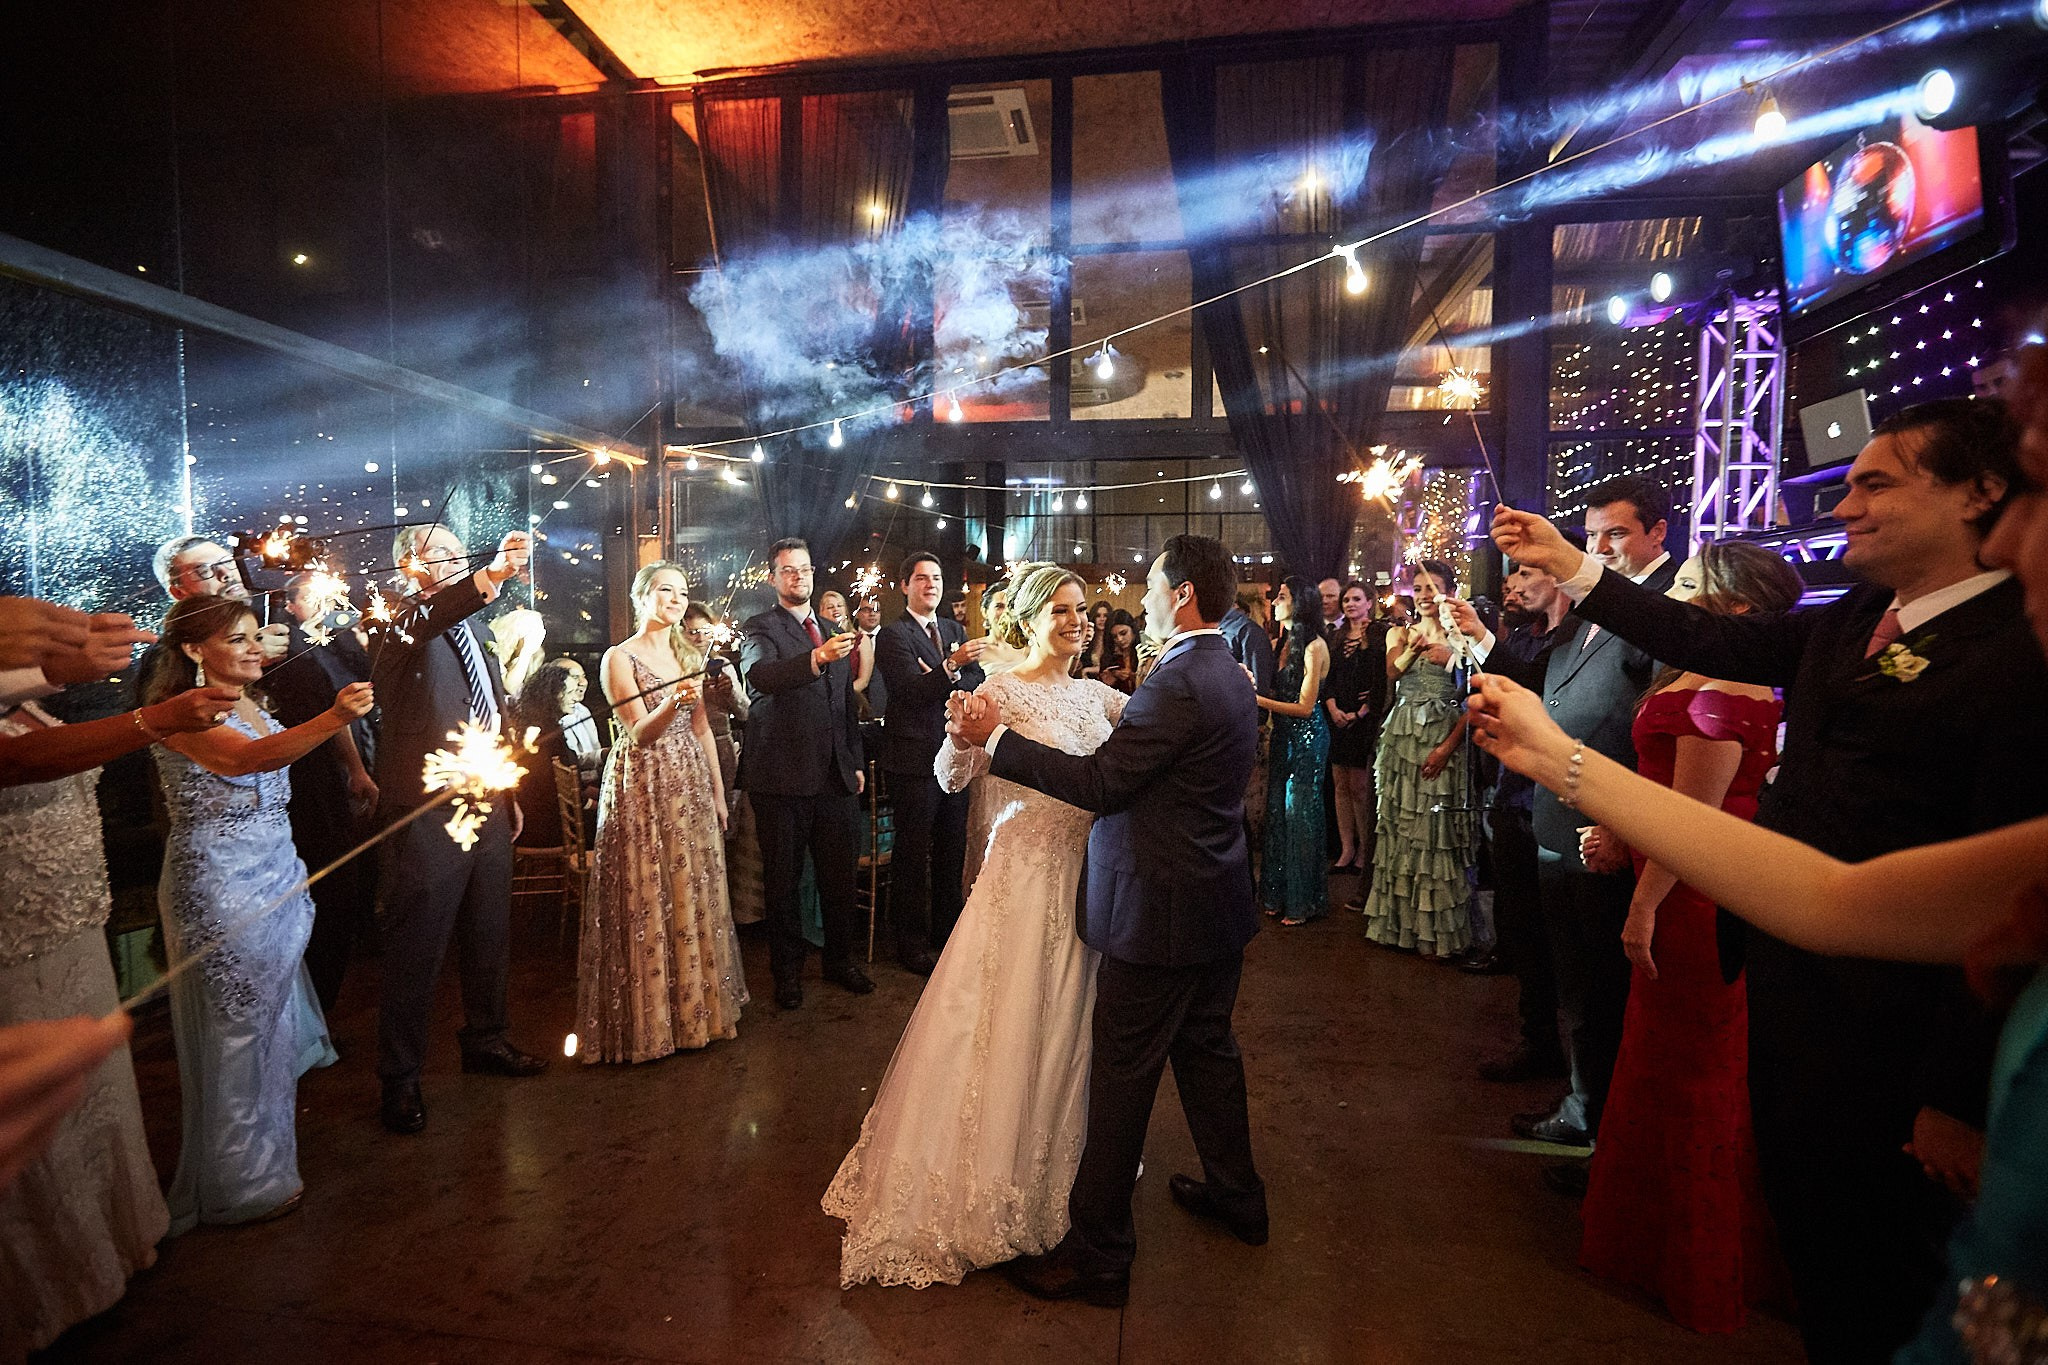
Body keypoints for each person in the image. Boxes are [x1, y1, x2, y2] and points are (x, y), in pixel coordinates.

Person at [1490, 398, 2048, 1361]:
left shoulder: (2015, 655)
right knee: (1824, 1252)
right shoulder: (1864, 617)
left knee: (1892, 1283)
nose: (1843, 506)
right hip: (1796, 992)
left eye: (1876, 482)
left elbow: (2005, 906)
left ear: (1981, 493)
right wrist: (1574, 565)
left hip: (1905, 1031)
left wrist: (1953, 1094)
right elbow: (1711, 642)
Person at [955, 534, 1267, 1309]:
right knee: (1207, 1053)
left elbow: (1101, 782)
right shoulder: (1226, 669)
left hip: (1159, 913)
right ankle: (1239, 1197)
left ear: (1183, 594)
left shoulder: (1178, 678)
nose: (1143, 599)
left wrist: (997, 740)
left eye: (1155, 586)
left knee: (1122, 1078)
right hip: (1217, 901)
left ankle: (1100, 1255)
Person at [824, 565, 1124, 1287]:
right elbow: (952, 778)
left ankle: (1058, 1165)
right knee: (1004, 1021)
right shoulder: (1000, 687)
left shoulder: (1095, 695)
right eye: (1061, 610)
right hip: (1022, 880)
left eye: (1081, 610)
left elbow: (1148, 729)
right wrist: (961, 739)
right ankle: (990, 1179)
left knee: (1063, 1028)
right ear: (1028, 618)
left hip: (1083, 883)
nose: (1077, 622)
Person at [1568, 541, 1804, 1333]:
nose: (1674, 592)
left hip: (1695, 899)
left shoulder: (1727, 686)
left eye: (1691, 584)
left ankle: (1700, 1264)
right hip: (1671, 878)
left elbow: (1695, 820)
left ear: (1737, 607)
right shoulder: (1692, 673)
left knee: (1698, 1076)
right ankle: (1652, 1245)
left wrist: (1642, 902)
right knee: (1660, 1069)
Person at [0, 660, 230, 1349]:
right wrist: (152, 719)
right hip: (13, 933)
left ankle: (110, 1247)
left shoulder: (29, 702)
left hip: (70, 924)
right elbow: (17, 765)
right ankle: (48, 1285)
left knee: (92, 1085)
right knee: (32, 1099)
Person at [140, 595, 373, 1227]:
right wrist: (332, 716)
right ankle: (236, 1180)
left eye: (254, 637)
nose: (253, 648)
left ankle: (268, 1162)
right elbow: (248, 760)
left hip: (274, 870)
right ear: (194, 650)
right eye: (235, 639)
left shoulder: (253, 704)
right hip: (218, 880)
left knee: (270, 1028)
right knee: (236, 1031)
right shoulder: (181, 714)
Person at [1492, 478, 1679, 1153]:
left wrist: (1626, 820)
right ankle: (1582, 1102)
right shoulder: (1596, 608)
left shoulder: (1665, 607)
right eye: (1593, 534)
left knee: (1602, 989)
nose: (1600, 547)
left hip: (1605, 825)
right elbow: (1552, 691)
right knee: (1573, 983)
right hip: (1555, 814)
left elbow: (1662, 731)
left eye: (1617, 533)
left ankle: (1601, 1126)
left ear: (1658, 533)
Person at [366, 525, 547, 1137]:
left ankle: (486, 1038)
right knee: (417, 946)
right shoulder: (397, 622)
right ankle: (400, 1077)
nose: (453, 558)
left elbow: (494, 712)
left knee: (489, 930)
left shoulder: (473, 633)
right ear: (409, 566)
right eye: (438, 552)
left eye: (455, 549)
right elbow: (432, 614)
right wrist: (491, 576)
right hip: (427, 810)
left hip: (488, 802)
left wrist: (507, 793)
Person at [578, 563, 743, 1063]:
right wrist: (673, 701)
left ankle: (697, 1015)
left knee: (690, 888)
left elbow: (701, 733)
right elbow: (639, 732)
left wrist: (718, 794)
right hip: (644, 786)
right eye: (665, 590)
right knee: (648, 888)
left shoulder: (688, 652)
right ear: (642, 595)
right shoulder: (617, 657)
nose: (675, 599)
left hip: (689, 782)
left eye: (682, 592)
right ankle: (651, 1022)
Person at [738, 538, 874, 1010]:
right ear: (774, 579)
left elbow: (844, 707)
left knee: (839, 877)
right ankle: (787, 974)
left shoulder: (834, 628)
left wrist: (854, 762)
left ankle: (839, 960)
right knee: (784, 881)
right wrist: (817, 659)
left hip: (835, 776)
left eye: (805, 570)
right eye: (788, 571)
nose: (798, 578)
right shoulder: (759, 628)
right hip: (780, 778)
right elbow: (761, 679)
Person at [1465, 560, 1572, 1083]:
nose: (1515, 583)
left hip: (1554, 802)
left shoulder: (1575, 639)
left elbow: (1535, 688)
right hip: (1512, 796)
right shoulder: (1529, 635)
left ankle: (1577, 1073)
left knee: (1562, 941)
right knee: (1524, 929)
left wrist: (1482, 637)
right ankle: (1538, 1040)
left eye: (1529, 573)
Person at [266, 572, 379, 1014]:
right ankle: (315, 1010)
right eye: (315, 596)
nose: (330, 600)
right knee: (330, 885)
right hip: (316, 780)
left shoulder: (338, 644)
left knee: (355, 878)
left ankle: (329, 996)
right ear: (291, 606)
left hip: (357, 763)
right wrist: (354, 769)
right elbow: (330, 715)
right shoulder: (290, 649)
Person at [874, 551, 988, 974]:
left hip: (954, 757)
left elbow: (976, 682)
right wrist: (952, 667)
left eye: (936, 578)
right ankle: (910, 942)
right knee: (913, 851)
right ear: (905, 585)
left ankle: (947, 932)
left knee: (951, 849)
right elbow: (907, 691)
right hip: (914, 759)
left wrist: (942, 673)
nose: (931, 585)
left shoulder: (955, 628)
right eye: (921, 578)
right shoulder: (893, 634)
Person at [1360, 559, 1478, 958]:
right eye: (1421, 588)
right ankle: (1400, 927)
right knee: (1398, 827)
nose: (1427, 595)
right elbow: (1392, 673)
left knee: (1435, 833)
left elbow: (1474, 697)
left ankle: (1436, 933)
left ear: (1449, 591)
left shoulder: (1464, 636)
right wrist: (1415, 649)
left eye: (1434, 587)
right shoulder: (1400, 631)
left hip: (1443, 732)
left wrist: (1448, 747)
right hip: (1401, 734)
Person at [1256, 576, 1330, 926]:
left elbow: (1304, 707)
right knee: (1277, 811)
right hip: (1283, 735)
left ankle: (1303, 900)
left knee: (1299, 814)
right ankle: (1278, 893)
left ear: (1299, 603)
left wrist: (1257, 700)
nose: (1274, 603)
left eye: (1282, 597)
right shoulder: (1279, 643)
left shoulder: (1315, 647)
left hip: (1306, 736)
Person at [1323, 581, 1385, 883]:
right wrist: (1334, 709)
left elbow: (1382, 680)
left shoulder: (1378, 634)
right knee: (1339, 785)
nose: (1349, 604)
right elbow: (1328, 679)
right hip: (1337, 717)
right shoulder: (1335, 637)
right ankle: (1346, 849)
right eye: (1346, 599)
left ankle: (1363, 850)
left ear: (1369, 602)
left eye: (1356, 599)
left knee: (1360, 787)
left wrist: (1360, 713)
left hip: (1364, 721)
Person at [511, 657, 600, 850]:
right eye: (569, 692)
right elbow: (552, 790)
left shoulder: (545, 728)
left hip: (553, 813)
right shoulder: (542, 736)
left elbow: (570, 780)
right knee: (612, 822)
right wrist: (598, 805)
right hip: (547, 825)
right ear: (551, 695)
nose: (575, 698)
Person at [1096, 610, 1141, 693]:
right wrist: (1108, 680)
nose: (1119, 639)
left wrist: (1135, 678)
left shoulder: (1143, 653)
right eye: (1114, 636)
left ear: (1133, 630)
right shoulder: (1109, 657)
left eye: (1123, 633)